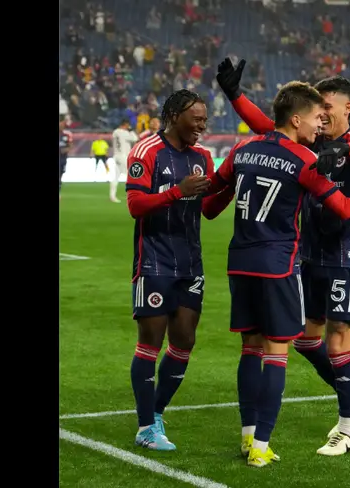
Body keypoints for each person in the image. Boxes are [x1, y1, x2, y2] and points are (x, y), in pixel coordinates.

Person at [206, 81, 350, 466]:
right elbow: (270, 126)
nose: (322, 114)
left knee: (338, 343)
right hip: (307, 255)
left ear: (348, 109)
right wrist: (236, 95)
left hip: (345, 255)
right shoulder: (308, 145)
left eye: (328, 106)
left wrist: (341, 150)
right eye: (317, 108)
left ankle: (347, 430)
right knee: (306, 342)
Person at [125, 89, 235, 451]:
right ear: (174, 116)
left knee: (185, 340)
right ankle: (145, 427)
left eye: (204, 120)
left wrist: (230, 186)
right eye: (196, 119)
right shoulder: (146, 151)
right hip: (154, 261)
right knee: (150, 343)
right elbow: (135, 205)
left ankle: (155, 413)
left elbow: (209, 209)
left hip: (190, 263)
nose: (202, 125)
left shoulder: (202, 156)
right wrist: (177, 191)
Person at [111, 119, 140, 203]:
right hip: (123, 156)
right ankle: (132, 196)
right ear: (125, 125)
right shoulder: (124, 133)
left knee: (116, 177)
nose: (128, 127)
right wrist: (131, 130)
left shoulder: (115, 132)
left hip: (116, 155)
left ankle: (112, 196)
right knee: (130, 176)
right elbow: (135, 138)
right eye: (128, 125)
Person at [59, 115, 73, 200]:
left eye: (62, 124)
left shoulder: (67, 134)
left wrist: (66, 149)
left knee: (61, 175)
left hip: (63, 158)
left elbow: (71, 146)